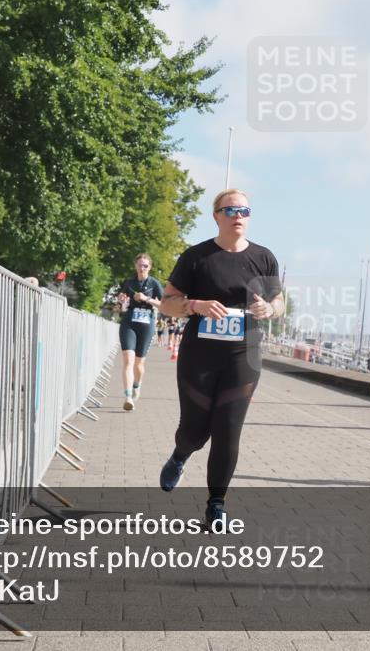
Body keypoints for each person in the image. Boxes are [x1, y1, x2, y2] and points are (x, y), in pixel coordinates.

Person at [158, 189, 284, 529]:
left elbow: (279, 302)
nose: (238, 215)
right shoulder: (196, 257)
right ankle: (180, 454)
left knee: (228, 429)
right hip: (199, 355)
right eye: (230, 210)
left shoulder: (264, 257)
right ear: (216, 216)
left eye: (244, 209)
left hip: (244, 355)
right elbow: (167, 303)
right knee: (195, 431)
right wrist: (194, 305)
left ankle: (216, 505)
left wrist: (269, 308)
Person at [114, 253, 164, 411]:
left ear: (150, 267)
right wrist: (121, 302)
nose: (142, 268)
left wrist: (146, 299)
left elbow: (163, 304)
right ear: (135, 265)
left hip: (146, 324)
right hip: (129, 322)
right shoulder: (129, 283)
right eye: (140, 265)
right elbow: (119, 307)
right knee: (128, 359)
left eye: (145, 266)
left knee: (139, 362)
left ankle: (137, 385)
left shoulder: (154, 283)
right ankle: (128, 397)